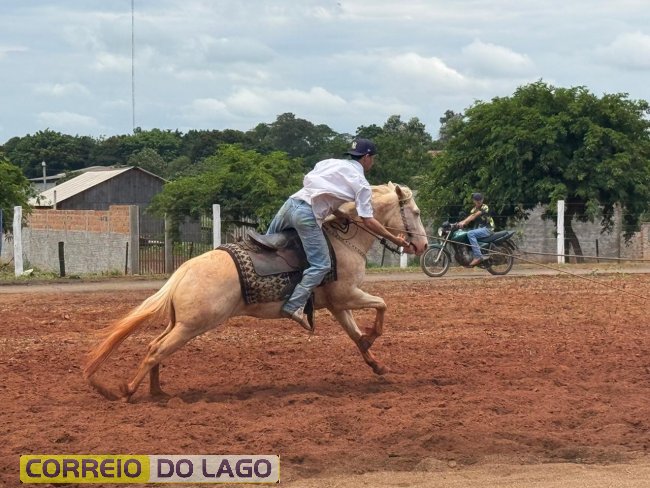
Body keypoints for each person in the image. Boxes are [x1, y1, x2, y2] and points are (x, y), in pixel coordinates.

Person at [266, 138, 412, 332]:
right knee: (321, 264)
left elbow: (320, 191)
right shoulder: (361, 184)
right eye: (373, 158)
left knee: (265, 248)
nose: (373, 162)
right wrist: (394, 239)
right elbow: (368, 221)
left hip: (290, 205)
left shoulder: (329, 163)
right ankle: (294, 305)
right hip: (307, 215)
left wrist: (338, 212)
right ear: (367, 157)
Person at [457, 192, 494, 266]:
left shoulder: (485, 207)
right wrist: (459, 223)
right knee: (466, 233)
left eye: (480, 199)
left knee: (470, 233)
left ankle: (478, 256)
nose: (478, 201)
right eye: (477, 200)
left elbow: (474, 215)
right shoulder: (473, 209)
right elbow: (470, 217)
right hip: (480, 228)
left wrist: (464, 222)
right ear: (474, 201)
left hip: (488, 228)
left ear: (482, 199)